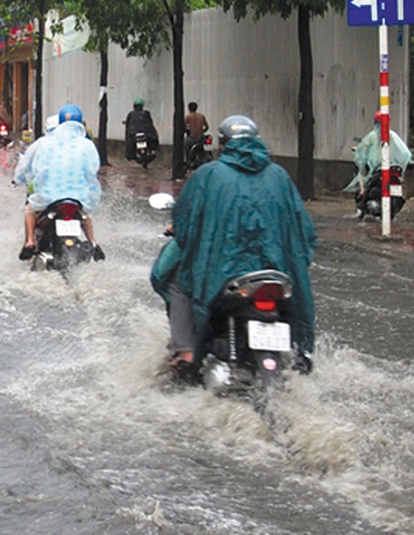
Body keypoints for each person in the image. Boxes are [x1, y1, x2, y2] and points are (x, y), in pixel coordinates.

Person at [161, 114, 317, 376]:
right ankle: (297, 352)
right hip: (274, 272)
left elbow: (185, 219)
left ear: (222, 144)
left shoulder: (208, 174)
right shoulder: (279, 175)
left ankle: (187, 351)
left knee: (177, 280)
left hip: (225, 273)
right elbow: (304, 230)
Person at [14, 104, 104, 262]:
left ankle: (30, 242)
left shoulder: (45, 143)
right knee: (85, 215)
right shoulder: (87, 145)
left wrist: (19, 179)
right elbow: (93, 170)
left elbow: (27, 166)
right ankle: (93, 242)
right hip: (79, 198)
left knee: (29, 210)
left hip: (49, 197)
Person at [344, 110, 412, 216]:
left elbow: (362, 152)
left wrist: (358, 151)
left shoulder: (372, 136)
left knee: (362, 176)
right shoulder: (393, 135)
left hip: (379, 169)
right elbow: (405, 153)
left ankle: (362, 195)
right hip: (394, 169)